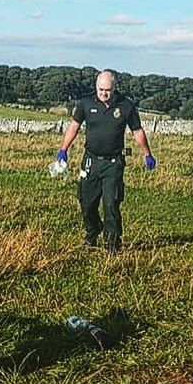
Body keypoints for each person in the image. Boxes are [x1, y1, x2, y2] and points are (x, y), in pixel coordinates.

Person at [55, 69, 155, 254]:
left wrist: (146, 154)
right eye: (100, 89)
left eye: (107, 90)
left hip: (114, 162)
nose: (104, 93)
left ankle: (112, 244)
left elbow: (137, 131)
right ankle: (93, 231)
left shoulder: (126, 106)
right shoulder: (85, 103)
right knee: (87, 203)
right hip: (90, 161)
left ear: (114, 87)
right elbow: (74, 127)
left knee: (111, 204)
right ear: (96, 87)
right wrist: (63, 150)